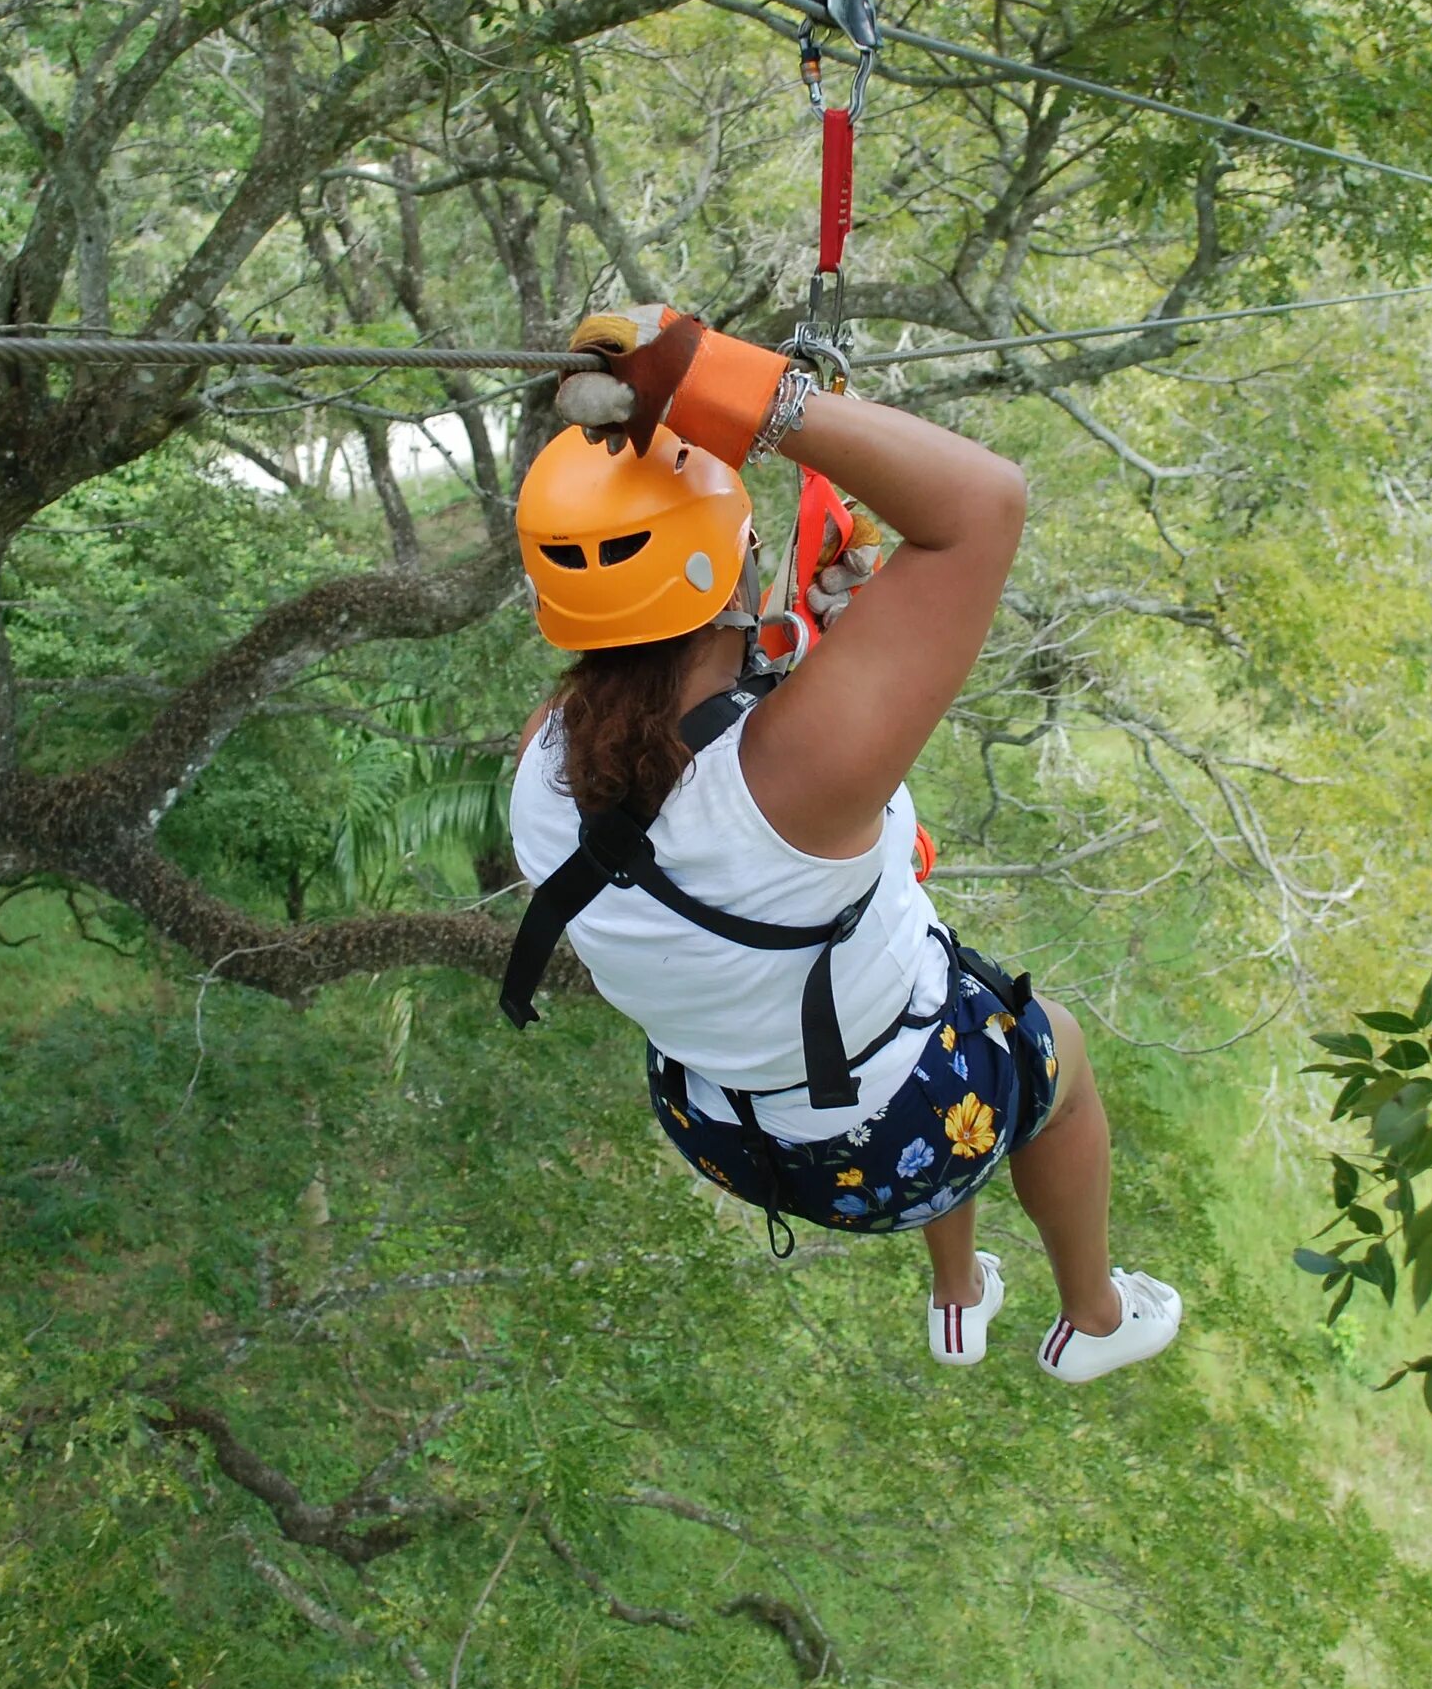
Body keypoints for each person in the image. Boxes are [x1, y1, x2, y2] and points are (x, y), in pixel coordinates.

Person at [503, 303, 1181, 1382]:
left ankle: (958, 1293)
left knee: (930, 982)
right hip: (885, 1150)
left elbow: (707, 719)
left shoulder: (541, 766)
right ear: (732, 569)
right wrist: (737, 388)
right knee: (1041, 1038)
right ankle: (1095, 1314)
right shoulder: (802, 777)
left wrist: (809, 631)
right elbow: (980, 504)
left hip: (726, 1126)